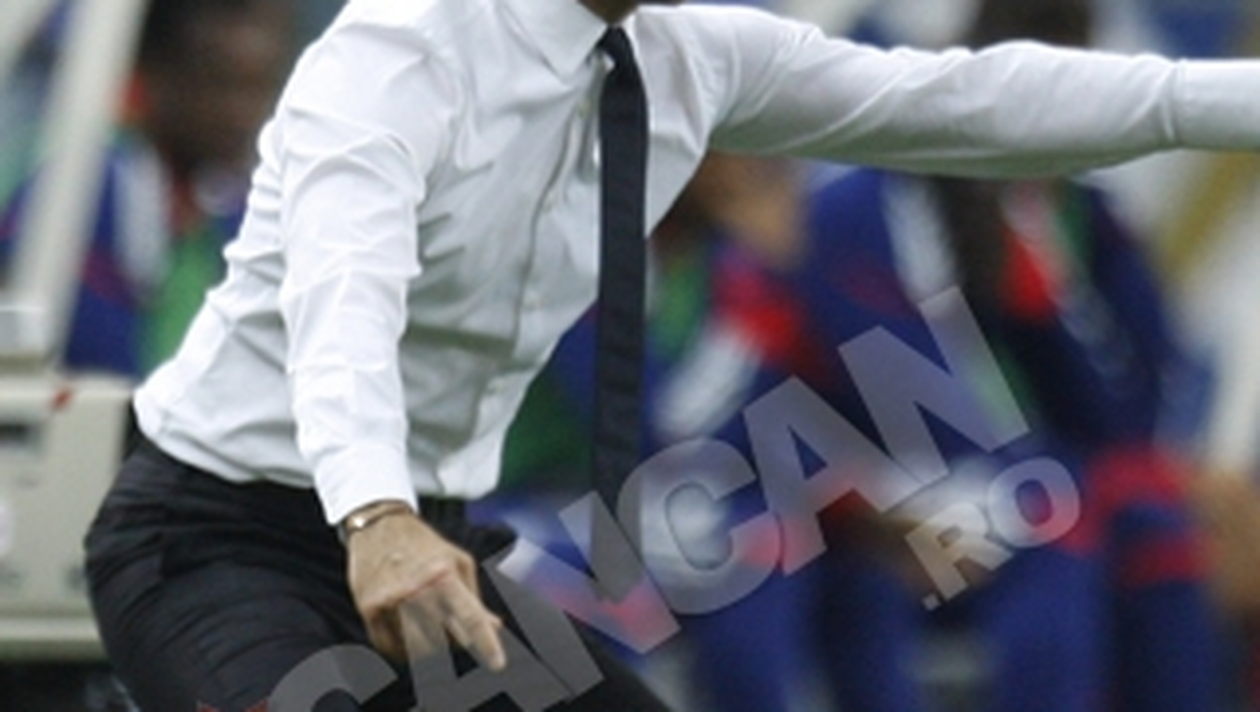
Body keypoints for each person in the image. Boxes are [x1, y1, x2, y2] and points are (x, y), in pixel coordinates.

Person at [81, 0, 1260, 709]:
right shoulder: (398, 52)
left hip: (433, 550)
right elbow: (341, 302)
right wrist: (376, 515)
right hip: (219, 540)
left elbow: (973, 101)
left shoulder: (687, 57)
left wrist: (1235, 99)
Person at [0, 0, 295, 378]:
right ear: (153, 78)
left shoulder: (235, 214)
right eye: (220, 85)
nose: (241, 115)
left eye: (259, 89)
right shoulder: (74, 199)